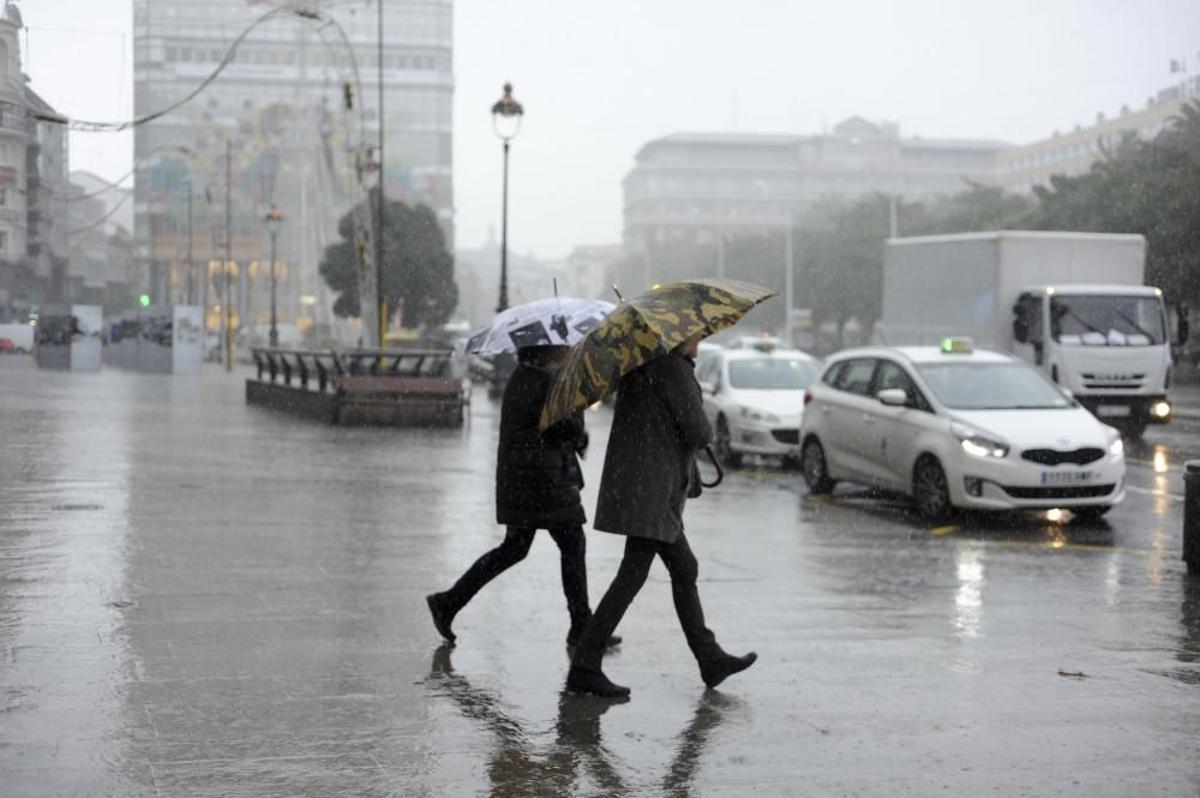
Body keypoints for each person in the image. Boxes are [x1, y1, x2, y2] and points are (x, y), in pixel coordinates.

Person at [566, 333, 756, 698]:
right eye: (696, 337)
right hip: (653, 489)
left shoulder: (645, 365)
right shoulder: (672, 368)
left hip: (646, 485)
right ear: (679, 338)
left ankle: (710, 657)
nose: (699, 342)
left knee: (683, 568)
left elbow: (660, 425)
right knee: (633, 574)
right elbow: (698, 429)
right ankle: (585, 666)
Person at [426, 345, 619, 648]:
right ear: (547, 351)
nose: (569, 350)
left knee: (518, 547)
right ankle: (581, 624)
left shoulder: (530, 377)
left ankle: (448, 602)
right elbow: (561, 425)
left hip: (531, 479)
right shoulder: (539, 382)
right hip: (540, 480)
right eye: (563, 347)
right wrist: (577, 408)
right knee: (569, 543)